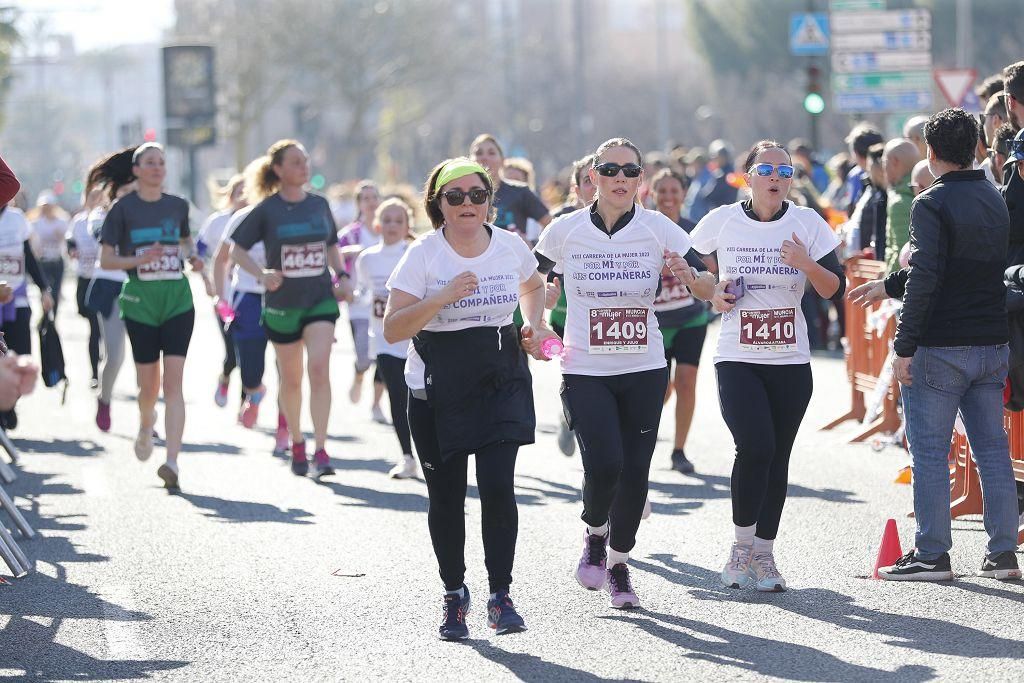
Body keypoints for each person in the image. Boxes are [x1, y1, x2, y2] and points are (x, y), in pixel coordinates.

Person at [534, 138, 712, 609]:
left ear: (640, 180)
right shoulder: (565, 229)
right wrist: (538, 313)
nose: (619, 178)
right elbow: (531, 279)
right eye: (609, 169)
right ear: (593, 175)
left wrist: (699, 282)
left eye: (628, 171)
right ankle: (595, 531)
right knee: (605, 463)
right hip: (586, 366)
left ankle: (618, 564)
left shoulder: (659, 229)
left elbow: (705, 278)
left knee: (635, 472)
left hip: (645, 366)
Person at [850, 108, 1022, 582]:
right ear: (976, 149)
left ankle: (931, 554)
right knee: (992, 449)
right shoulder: (994, 198)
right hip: (991, 341)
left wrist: (903, 347)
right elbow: (959, 267)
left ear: (931, 151)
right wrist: (888, 285)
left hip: (941, 345)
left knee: (928, 451)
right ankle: (1002, 554)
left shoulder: (931, 203)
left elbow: (928, 275)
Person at [383, 157, 550, 639]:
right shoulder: (424, 255)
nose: (467, 205)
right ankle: (454, 595)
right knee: (447, 498)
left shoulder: (510, 246)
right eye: (455, 197)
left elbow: (534, 285)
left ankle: (501, 596)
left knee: (499, 488)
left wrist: (533, 325)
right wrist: (441, 298)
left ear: (489, 201)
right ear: (438, 204)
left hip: (499, 379)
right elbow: (394, 328)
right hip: (436, 389)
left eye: (477, 195)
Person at [690, 140, 845, 592]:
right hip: (737, 354)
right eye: (767, 169)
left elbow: (834, 287)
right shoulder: (721, 220)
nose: (776, 176)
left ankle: (765, 553)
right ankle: (740, 546)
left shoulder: (806, 222)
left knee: (777, 457)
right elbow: (689, 260)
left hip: (790, 357)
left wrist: (805, 263)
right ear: (748, 176)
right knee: (754, 447)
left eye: (785, 169)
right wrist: (714, 287)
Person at [230, 139, 352, 479]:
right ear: (279, 169)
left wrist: (341, 275)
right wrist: (262, 274)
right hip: (283, 305)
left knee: (318, 369)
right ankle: (297, 441)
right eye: (296, 162)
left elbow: (331, 245)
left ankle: (322, 449)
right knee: (292, 379)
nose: (304, 167)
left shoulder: (319, 204)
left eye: (305, 161)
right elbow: (236, 251)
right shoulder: (266, 210)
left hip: (319, 299)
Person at [99, 143, 202, 490]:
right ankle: (146, 424)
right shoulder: (122, 210)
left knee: (174, 383)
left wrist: (194, 259)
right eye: (150, 163)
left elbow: (187, 243)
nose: (157, 168)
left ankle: (172, 461)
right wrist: (138, 261)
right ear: (137, 170)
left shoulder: (177, 206)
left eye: (162, 162)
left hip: (177, 300)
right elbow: (107, 261)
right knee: (149, 386)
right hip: (141, 302)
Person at [649, 168, 712, 475]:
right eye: (662, 191)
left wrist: (691, 272)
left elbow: (711, 269)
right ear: (652, 193)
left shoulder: (692, 230)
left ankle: (679, 451)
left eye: (674, 191)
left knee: (686, 382)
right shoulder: (643, 228)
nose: (668, 197)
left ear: (684, 194)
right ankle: (640, 441)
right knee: (658, 389)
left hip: (690, 319)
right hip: (654, 323)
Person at [355, 198, 416, 479]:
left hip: (417, 341)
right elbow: (363, 292)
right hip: (384, 339)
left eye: (398, 221)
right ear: (377, 224)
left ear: (407, 226)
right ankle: (407, 457)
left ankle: (433, 455)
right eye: (387, 220)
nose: (392, 226)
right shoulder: (367, 259)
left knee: (423, 400)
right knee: (397, 398)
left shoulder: (415, 253)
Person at [547, 154, 596, 457]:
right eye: (587, 181)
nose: (595, 186)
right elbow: (543, 267)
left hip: (609, 318)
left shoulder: (633, 219)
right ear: (576, 189)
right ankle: (570, 416)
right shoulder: (562, 221)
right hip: (566, 316)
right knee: (575, 374)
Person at [83, 150, 134, 432]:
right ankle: (104, 398)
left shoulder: (148, 210)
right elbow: (107, 243)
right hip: (110, 287)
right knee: (115, 356)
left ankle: (147, 416)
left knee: (145, 359)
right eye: (125, 190)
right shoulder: (100, 216)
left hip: (142, 287)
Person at [0, 197, 53, 430]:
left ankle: (9, 406)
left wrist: (44, 289)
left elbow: (28, 256)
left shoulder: (17, 218)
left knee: (21, 354)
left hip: (17, 297)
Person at [338, 180, 387, 423]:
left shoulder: (387, 230)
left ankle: (376, 404)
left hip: (384, 304)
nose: (370, 202)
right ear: (359, 204)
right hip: (357, 303)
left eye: (374, 197)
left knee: (385, 356)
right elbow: (333, 260)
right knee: (364, 356)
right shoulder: (350, 234)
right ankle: (359, 373)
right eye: (365, 198)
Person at [198, 174, 246, 409]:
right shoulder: (217, 222)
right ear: (231, 196)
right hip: (224, 298)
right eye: (240, 193)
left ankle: (244, 405)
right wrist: (208, 281)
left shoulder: (257, 221)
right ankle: (225, 378)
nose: (244, 198)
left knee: (248, 354)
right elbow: (198, 251)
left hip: (248, 296)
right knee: (232, 354)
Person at [470, 134, 551, 241]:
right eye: (479, 153)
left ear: (502, 160)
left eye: (492, 153)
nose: (485, 158)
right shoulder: (461, 195)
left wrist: (534, 249)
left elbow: (551, 225)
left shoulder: (520, 191)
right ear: (470, 160)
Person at [68, 187, 104, 388]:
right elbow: (69, 240)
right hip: (85, 278)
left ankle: (98, 372)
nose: (97, 201)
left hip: (104, 280)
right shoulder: (79, 221)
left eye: (101, 198)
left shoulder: (108, 219)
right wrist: (72, 250)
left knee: (97, 329)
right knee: (92, 324)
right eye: (93, 198)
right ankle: (95, 368)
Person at [881, 139, 920, 273]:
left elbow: (900, 253)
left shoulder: (900, 202)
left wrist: (885, 285)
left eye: (884, 162)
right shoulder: (924, 189)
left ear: (895, 162)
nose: (883, 169)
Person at [29, 190, 69, 318]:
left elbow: (66, 241)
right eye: (44, 206)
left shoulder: (62, 221)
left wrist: (60, 236)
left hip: (57, 261)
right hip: (42, 261)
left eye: (49, 206)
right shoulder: (35, 223)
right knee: (44, 291)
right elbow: (30, 242)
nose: (46, 209)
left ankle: (53, 317)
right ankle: (45, 317)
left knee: (55, 291)